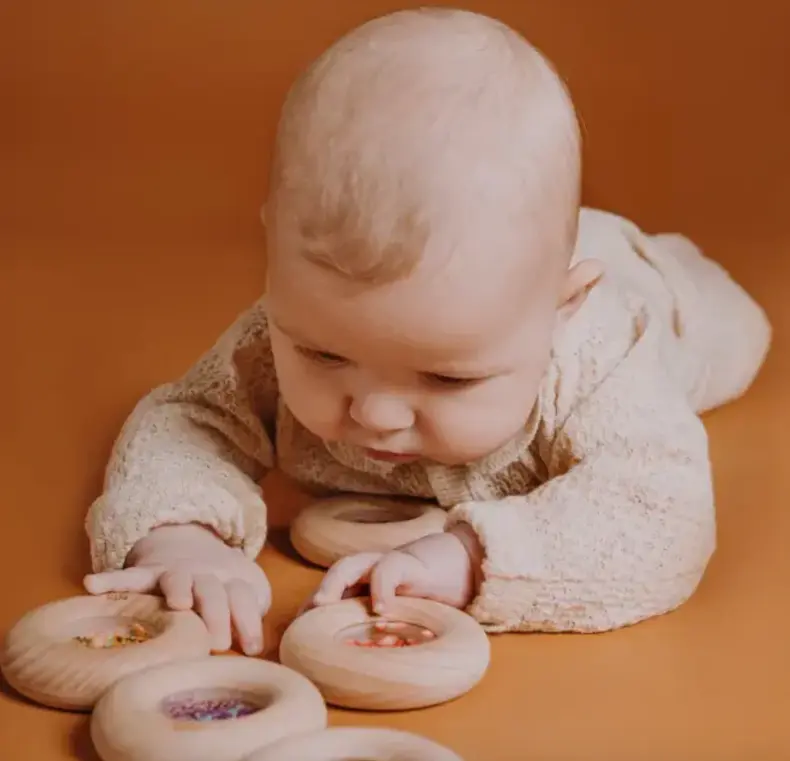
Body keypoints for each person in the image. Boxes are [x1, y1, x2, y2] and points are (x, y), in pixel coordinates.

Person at [82, 8, 771, 655]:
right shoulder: (284, 324)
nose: (375, 414)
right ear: (276, 257)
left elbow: (660, 515)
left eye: (448, 376)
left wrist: (474, 558)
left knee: (739, 335)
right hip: (505, 275)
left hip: (646, 289)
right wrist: (179, 534)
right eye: (324, 355)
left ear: (559, 313)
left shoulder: (600, 356)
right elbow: (186, 420)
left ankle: (668, 264)